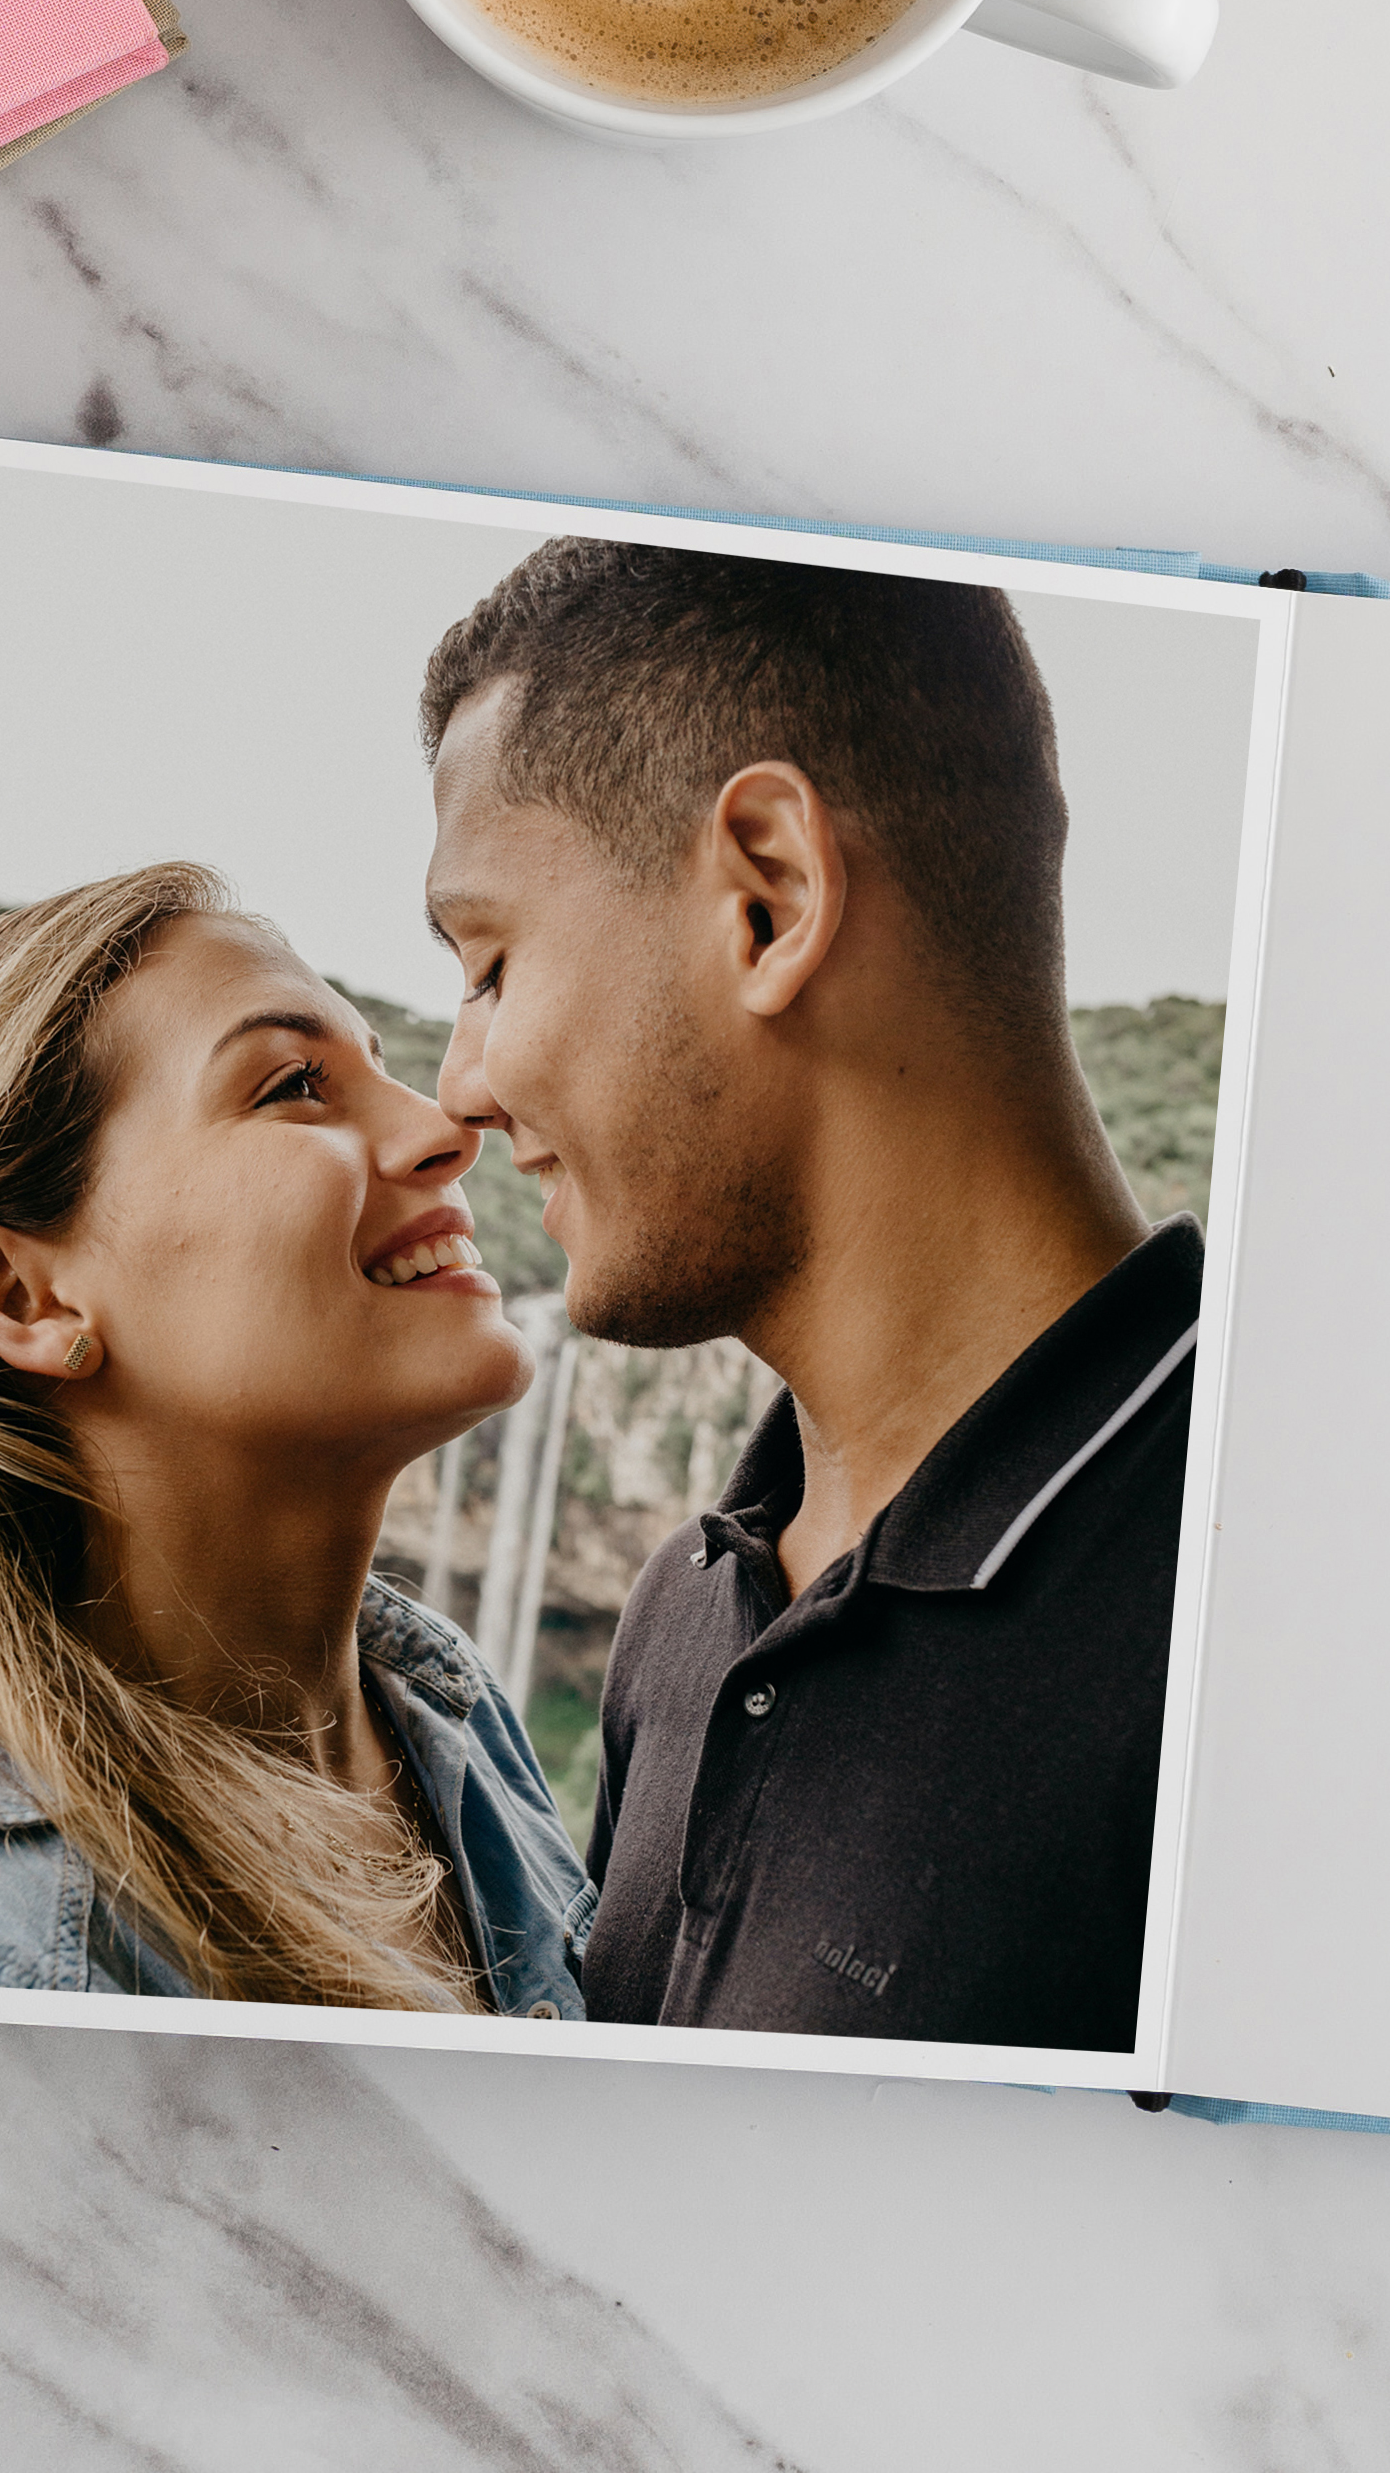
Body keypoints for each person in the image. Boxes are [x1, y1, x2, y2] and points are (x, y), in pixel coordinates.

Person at [417, 541, 1191, 2051]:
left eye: (490, 960)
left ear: (767, 898)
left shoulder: (1266, 1607)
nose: (462, 1085)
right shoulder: (682, 1617)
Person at [0, 863, 592, 2015]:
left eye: (382, 1066)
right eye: (296, 1083)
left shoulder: (438, 1712)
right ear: (23, 1296)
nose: (440, 1122)